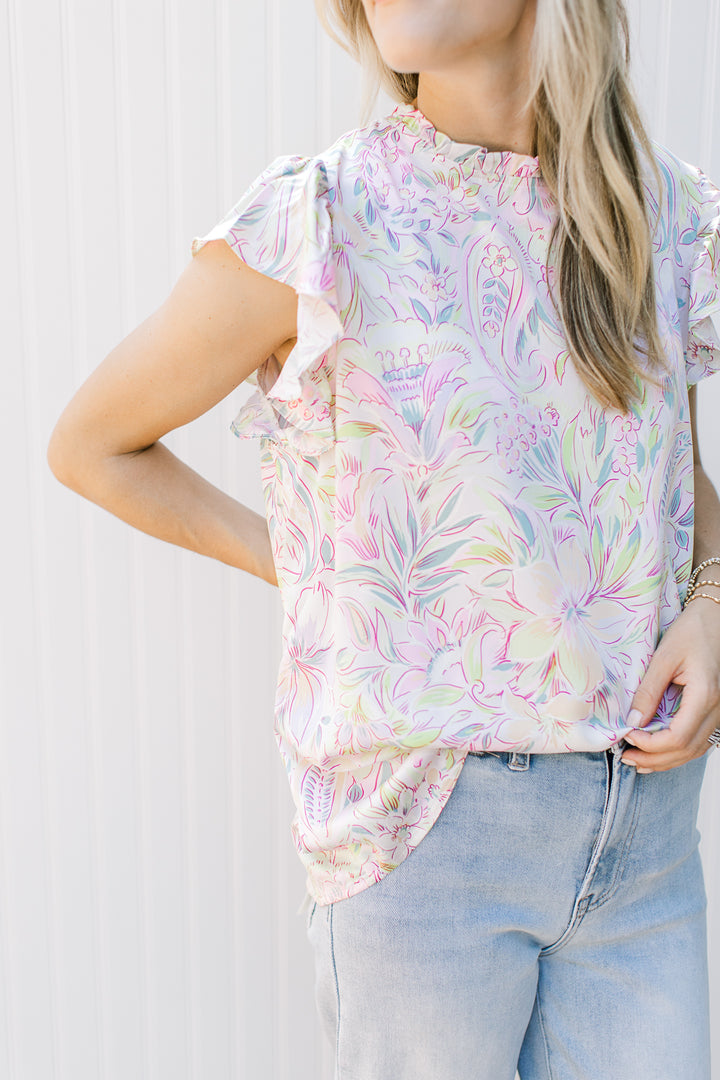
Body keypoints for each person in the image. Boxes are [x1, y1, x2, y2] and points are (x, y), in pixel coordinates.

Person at [48, 0, 720, 1076]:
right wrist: (306, 567)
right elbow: (93, 445)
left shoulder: (659, 214)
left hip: (643, 840)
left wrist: (712, 602)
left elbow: (668, 479)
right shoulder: (324, 223)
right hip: (428, 840)